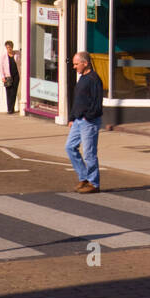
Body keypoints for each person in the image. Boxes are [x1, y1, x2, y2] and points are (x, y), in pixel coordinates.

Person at [65, 52, 103, 193]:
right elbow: (78, 101)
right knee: (70, 147)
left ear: (85, 63)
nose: (74, 67)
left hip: (89, 121)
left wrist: (88, 117)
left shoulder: (94, 79)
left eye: (76, 64)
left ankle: (94, 183)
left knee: (89, 153)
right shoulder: (82, 79)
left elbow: (97, 102)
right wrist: (72, 117)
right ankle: (84, 177)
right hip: (78, 120)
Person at [0, 40, 20, 114]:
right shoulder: (4, 55)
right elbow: (1, 66)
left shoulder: (17, 54)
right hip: (8, 76)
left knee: (14, 92)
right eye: (7, 48)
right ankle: (9, 109)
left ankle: (12, 108)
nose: (9, 49)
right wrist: (3, 76)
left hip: (16, 75)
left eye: (10, 47)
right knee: (8, 92)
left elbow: (20, 62)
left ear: (12, 47)